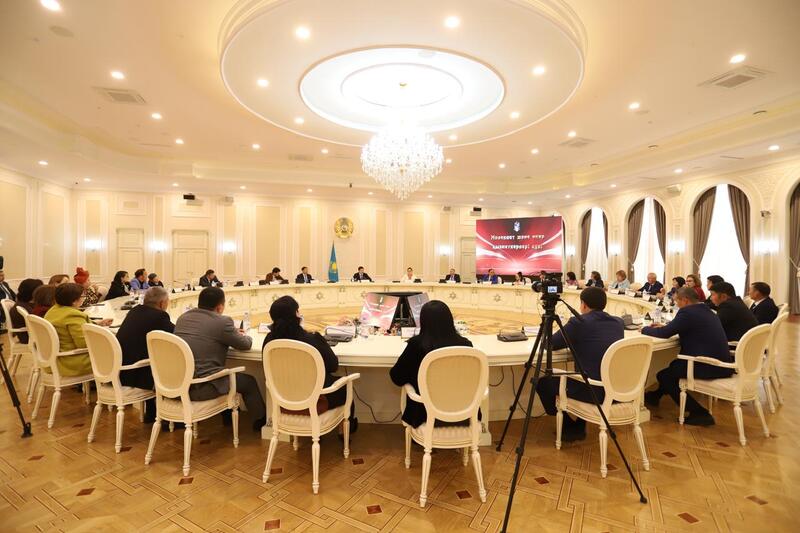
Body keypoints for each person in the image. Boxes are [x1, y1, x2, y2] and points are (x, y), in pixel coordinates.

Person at [535, 287, 624, 441]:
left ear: (583, 304)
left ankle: (570, 427)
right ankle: (578, 424)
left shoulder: (578, 322)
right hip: (617, 390)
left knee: (542, 383)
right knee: (588, 372)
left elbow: (550, 344)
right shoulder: (618, 323)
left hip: (592, 391)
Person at [174, 287, 266, 431]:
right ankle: (263, 423)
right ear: (220, 307)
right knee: (248, 382)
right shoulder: (222, 322)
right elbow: (245, 344)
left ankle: (227, 418)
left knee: (223, 371)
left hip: (178, 384)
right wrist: (241, 334)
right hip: (201, 387)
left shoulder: (182, 318)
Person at [643, 287, 733, 425]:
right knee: (672, 368)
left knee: (665, 375)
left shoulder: (687, 312)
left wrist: (645, 329)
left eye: (677, 301)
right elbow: (683, 327)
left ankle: (699, 413)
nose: (676, 304)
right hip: (721, 362)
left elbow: (664, 334)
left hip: (707, 365)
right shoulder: (706, 310)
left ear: (685, 300)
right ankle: (654, 396)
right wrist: (666, 326)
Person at [264, 296, 357, 430]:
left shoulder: (269, 341)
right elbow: (333, 366)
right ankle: (346, 432)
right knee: (346, 388)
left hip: (283, 403)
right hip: (317, 401)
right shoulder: (312, 339)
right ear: (296, 315)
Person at [390, 300, 473, 428]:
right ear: (449, 319)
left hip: (424, 415)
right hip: (463, 415)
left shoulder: (416, 345)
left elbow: (397, 377)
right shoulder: (466, 345)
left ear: (423, 321)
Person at [114, 287, 174, 423]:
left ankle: (152, 413)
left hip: (120, 369)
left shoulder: (134, 311)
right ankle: (168, 417)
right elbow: (176, 334)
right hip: (136, 374)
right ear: (162, 303)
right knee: (171, 364)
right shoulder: (159, 316)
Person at [44, 283, 112, 376]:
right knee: (116, 352)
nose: (84, 298)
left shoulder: (53, 310)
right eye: (83, 296)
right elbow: (84, 343)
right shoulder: (72, 315)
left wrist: (98, 324)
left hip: (54, 359)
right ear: (74, 301)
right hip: (71, 361)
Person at [10, 278, 43, 343]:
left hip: (31, 334)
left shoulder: (25, 303)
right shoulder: (22, 307)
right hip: (29, 337)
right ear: (33, 292)